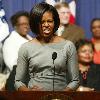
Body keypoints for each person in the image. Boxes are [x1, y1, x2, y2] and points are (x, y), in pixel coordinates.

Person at [15, 2, 79, 91]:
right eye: (42, 22)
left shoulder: (68, 46)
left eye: (49, 21)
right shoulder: (26, 47)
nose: (46, 25)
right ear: (35, 24)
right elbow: (18, 81)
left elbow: (75, 81)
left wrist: (62, 94)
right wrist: (29, 92)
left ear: (55, 22)